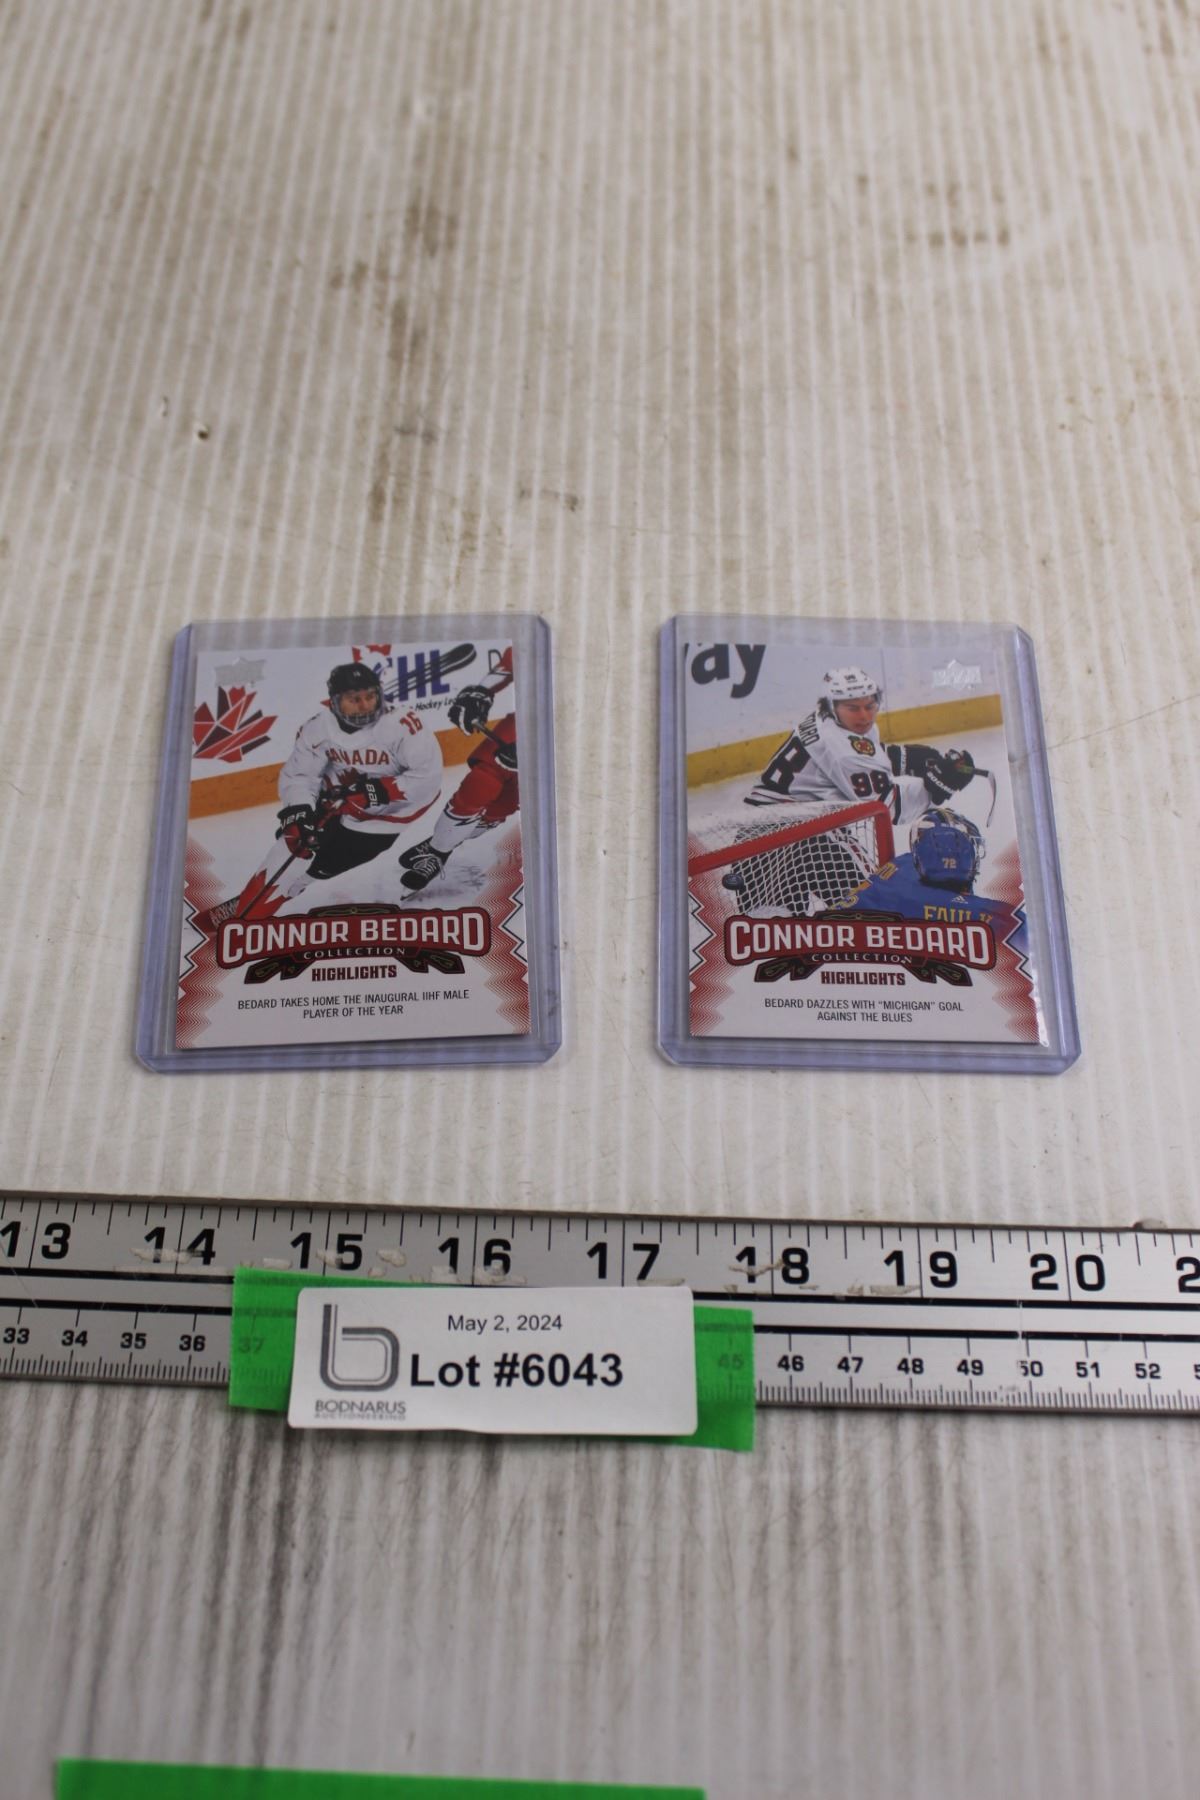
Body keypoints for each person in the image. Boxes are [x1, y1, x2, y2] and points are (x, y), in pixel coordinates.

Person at [198, 662, 444, 929]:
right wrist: (299, 810)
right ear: (335, 701)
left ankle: (273, 898)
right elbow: (301, 776)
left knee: (318, 868)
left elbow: (427, 777)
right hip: (333, 801)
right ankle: (246, 911)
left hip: (382, 819)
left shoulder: (404, 725)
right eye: (354, 700)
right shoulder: (317, 728)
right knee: (294, 844)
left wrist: (379, 791)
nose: (364, 706)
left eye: (370, 696)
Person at [745, 666, 976, 829]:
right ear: (832, 706)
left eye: (870, 705)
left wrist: (907, 758)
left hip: (772, 821)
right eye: (853, 708)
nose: (865, 716)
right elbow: (887, 809)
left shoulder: (826, 719)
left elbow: (862, 753)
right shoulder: (842, 752)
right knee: (864, 881)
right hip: (782, 834)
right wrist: (938, 786)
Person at [399, 648, 519, 893]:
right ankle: (437, 853)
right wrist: (480, 692)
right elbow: (515, 660)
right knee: (482, 782)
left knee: (502, 806)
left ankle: (440, 843)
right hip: (526, 723)